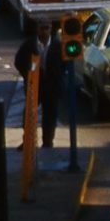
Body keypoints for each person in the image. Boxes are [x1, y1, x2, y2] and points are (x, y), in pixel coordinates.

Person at [41, 21, 70, 150]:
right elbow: (19, 60)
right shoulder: (31, 44)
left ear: (50, 29)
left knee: (50, 115)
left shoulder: (57, 45)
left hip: (52, 86)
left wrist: (59, 75)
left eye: (46, 28)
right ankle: (27, 140)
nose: (44, 31)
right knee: (29, 113)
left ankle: (48, 142)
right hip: (36, 85)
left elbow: (65, 62)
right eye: (41, 28)